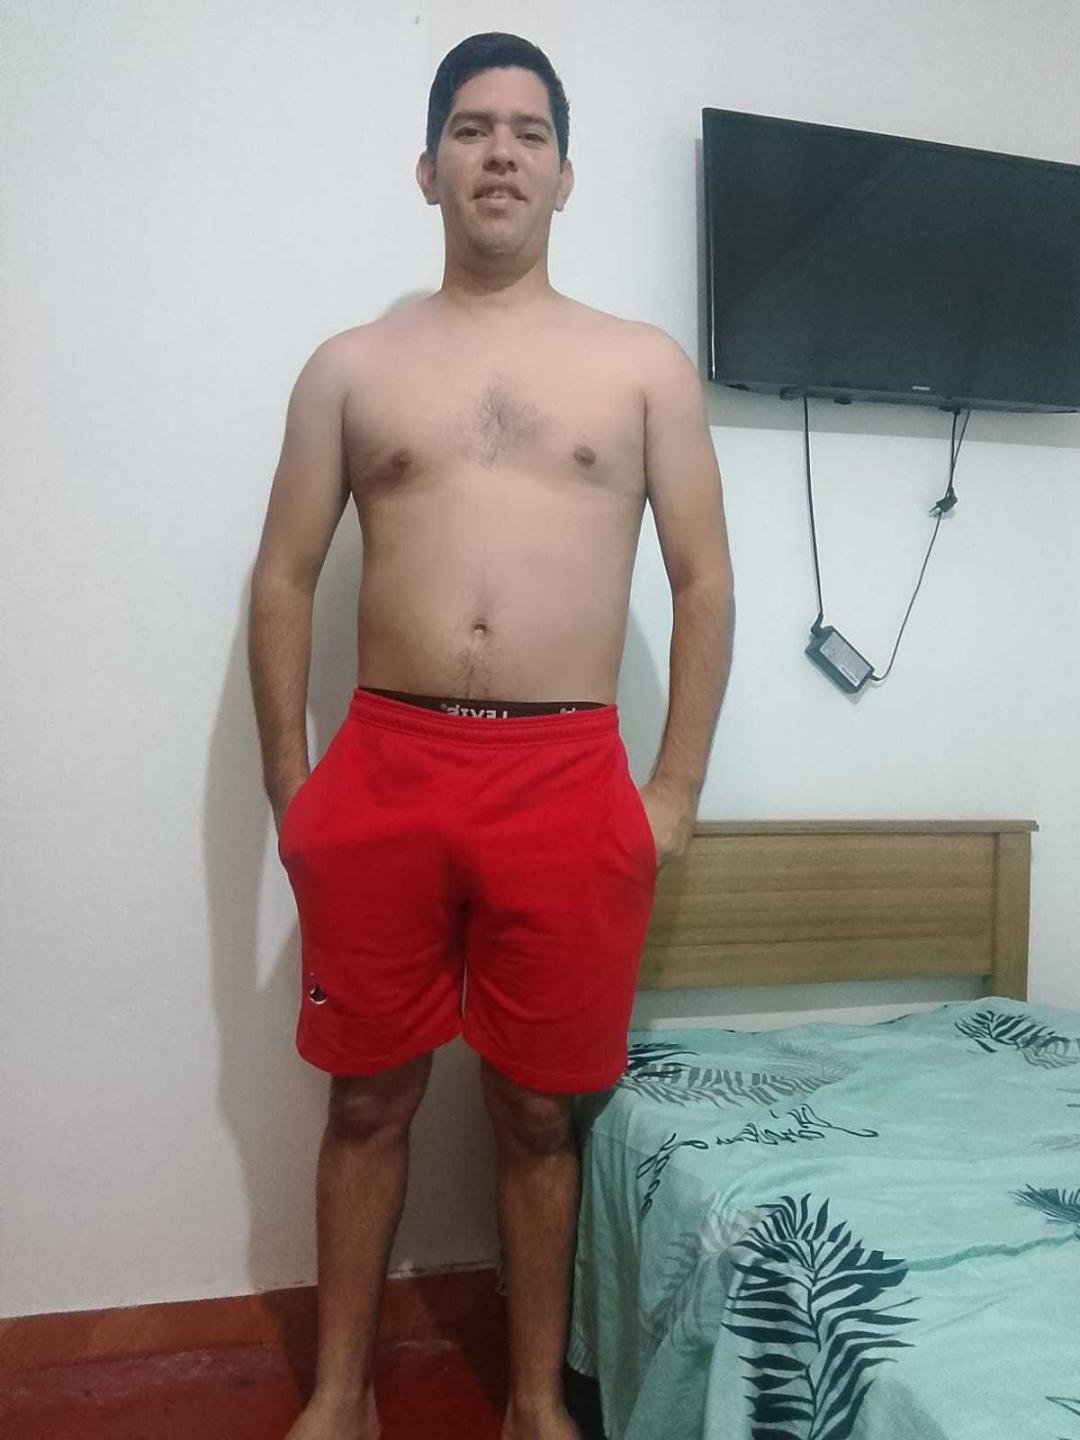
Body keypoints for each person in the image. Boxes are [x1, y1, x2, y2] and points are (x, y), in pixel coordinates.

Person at [247, 30, 735, 1440]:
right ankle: (342, 1394)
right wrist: (294, 786)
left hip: (565, 776)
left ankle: (532, 1404)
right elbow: (282, 578)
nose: (501, 153)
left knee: (536, 1112)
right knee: (365, 1101)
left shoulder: (641, 368)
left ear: (566, 175)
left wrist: (673, 792)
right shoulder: (351, 367)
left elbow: (704, 581)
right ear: (428, 168)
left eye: (528, 132)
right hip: (387, 765)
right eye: (472, 129)